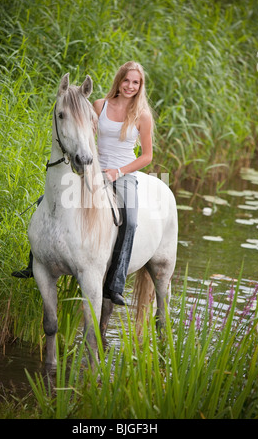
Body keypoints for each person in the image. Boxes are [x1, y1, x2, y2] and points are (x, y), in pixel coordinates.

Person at [12, 61, 153, 306]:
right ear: (119, 81)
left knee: (129, 219)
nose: (130, 86)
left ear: (140, 86)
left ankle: (115, 283)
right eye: (126, 80)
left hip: (123, 174)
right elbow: (81, 132)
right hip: (92, 167)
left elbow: (147, 156)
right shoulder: (99, 105)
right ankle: (33, 263)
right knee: (46, 202)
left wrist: (117, 172)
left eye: (135, 82)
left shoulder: (142, 115)